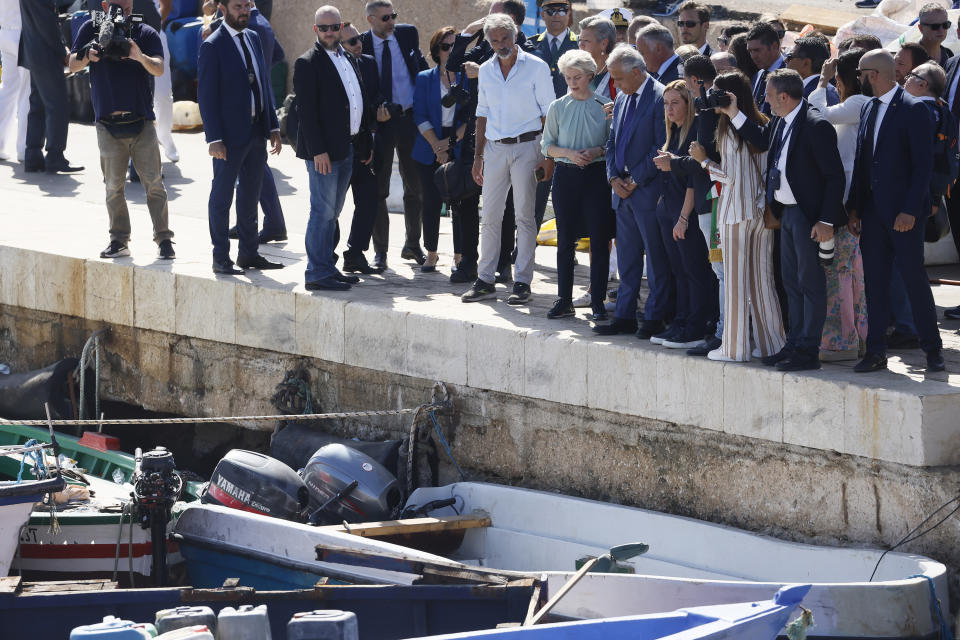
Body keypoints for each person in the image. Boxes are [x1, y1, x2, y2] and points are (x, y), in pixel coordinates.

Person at [725, 69, 845, 371]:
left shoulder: (816, 125)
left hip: (809, 217)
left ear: (783, 96)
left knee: (811, 284)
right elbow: (761, 139)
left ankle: (808, 351)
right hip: (788, 213)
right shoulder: (781, 120)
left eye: (767, 94)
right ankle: (794, 344)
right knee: (791, 283)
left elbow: (834, 178)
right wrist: (733, 112)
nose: (764, 100)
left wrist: (826, 220)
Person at [847, 50, 944, 372]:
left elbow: (923, 167)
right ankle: (875, 352)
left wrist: (909, 211)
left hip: (903, 216)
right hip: (873, 214)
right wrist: (855, 209)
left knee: (914, 281)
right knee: (874, 283)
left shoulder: (914, 109)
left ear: (873, 74)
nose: (857, 78)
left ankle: (933, 351)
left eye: (860, 72)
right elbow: (863, 162)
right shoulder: (870, 108)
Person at [689, 70, 785, 362]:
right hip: (760, 213)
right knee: (762, 281)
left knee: (734, 283)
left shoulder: (729, 129)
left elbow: (729, 176)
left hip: (734, 212)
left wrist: (703, 161)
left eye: (719, 92)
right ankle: (772, 345)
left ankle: (735, 348)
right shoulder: (763, 123)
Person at [68, 0, 175, 260]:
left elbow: (159, 69)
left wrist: (138, 55)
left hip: (141, 121)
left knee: (154, 185)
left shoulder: (144, 32)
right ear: (104, 4)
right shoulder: (90, 29)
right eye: (117, 5)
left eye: (126, 6)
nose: (122, 11)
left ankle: (164, 240)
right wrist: (87, 54)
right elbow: (72, 64)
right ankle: (119, 240)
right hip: (107, 123)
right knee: (113, 186)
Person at [461, 13, 554, 304]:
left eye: (505, 37)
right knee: (489, 216)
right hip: (495, 149)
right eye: (495, 39)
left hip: (529, 146)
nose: (501, 44)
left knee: (525, 217)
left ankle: (522, 282)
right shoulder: (486, 70)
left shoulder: (536, 67)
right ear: (488, 41)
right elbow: (482, 114)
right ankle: (485, 279)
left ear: (515, 36)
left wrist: (546, 155)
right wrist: (478, 157)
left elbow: (548, 113)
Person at [197, 0, 283, 275]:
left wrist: (272, 125)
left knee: (250, 194)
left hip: (257, 131)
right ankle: (221, 257)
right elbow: (207, 96)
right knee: (221, 197)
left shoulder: (254, 38)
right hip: (229, 138)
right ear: (223, 9)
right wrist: (214, 138)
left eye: (247, 5)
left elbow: (263, 84)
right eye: (237, 6)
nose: (244, 11)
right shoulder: (213, 44)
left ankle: (249, 253)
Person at [295, 5, 373, 291]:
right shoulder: (308, 63)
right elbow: (307, 113)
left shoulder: (348, 59)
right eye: (323, 28)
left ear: (341, 28)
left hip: (348, 148)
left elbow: (356, 102)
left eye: (334, 27)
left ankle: (327, 265)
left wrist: (365, 142)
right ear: (316, 30)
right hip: (324, 153)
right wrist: (318, 151)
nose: (329, 32)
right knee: (322, 211)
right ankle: (316, 272)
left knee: (333, 212)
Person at [593, 44, 667, 337]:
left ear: (637, 72)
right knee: (627, 259)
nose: (616, 85)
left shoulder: (660, 97)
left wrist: (634, 179)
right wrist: (613, 178)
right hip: (622, 192)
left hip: (648, 190)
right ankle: (624, 315)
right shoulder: (623, 97)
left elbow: (662, 146)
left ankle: (655, 316)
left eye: (619, 79)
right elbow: (612, 143)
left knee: (656, 258)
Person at [541, 49, 612, 319]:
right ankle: (564, 298)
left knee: (599, 237)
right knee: (565, 240)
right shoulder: (558, 106)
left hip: (595, 176)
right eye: (568, 77)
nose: (572, 81)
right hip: (566, 176)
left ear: (591, 76)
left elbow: (612, 144)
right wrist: (570, 154)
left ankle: (598, 299)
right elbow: (546, 146)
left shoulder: (605, 105)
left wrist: (596, 151)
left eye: (577, 77)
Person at [809, 49, 870, 360]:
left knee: (840, 273)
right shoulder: (856, 104)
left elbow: (816, 114)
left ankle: (841, 340)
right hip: (847, 200)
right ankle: (857, 337)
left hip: (844, 202)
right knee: (850, 272)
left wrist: (821, 82)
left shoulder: (858, 103)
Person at [361, 0, 430, 270]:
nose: (391, 22)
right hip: (382, 124)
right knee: (380, 189)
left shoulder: (407, 33)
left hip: (411, 119)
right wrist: (374, 112)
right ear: (370, 20)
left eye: (393, 16)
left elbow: (420, 68)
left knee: (417, 186)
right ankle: (380, 252)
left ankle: (412, 245)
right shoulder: (363, 44)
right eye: (385, 18)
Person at [652, 79, 719, 348]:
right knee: (678, 271)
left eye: (675, 103)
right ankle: (681, 321)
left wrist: (682, 218)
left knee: (695, 271)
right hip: (667, 211)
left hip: (686, 215)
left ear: (688, 104)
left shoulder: (693, 134)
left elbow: (694, 180)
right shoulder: (673, 133)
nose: (669, 108)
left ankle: (696, 325)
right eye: (666, 103)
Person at [412, 26, 469, 273]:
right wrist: (437, 145)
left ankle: (459, 256)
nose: (450, 51)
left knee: (459, 203)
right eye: (446, 47)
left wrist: (448, 145)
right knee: (431, 202)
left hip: (458, 143)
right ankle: (432, 253)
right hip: (428, 145)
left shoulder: (468, 77)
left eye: (455, 46)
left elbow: (471, 116)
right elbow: (419, 113)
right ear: (437, 51)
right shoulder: (425, 77)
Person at [339, 21, 386, 275]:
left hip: (363, 145)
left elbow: (374, 95)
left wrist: (382, 108)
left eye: (360, 40)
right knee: (332, 206)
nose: (359, 45)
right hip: (337, 148)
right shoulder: (331, 67)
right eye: (353, 42)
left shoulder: (368, 63)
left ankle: (355, 254)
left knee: (368, 200)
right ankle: (326, 255)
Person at [19, 0, 81, 173]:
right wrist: (64, 51)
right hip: (46, 53)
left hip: (34, 50)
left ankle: (33, 155)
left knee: (38, 104)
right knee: (58, 105)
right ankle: (55, 155)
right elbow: (47, 24)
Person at [0, 0, 30, 162]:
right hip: (22, 34)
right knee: (26, 92)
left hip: (5, 31)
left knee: (8, 89)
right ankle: (25, 148)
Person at [532, 0, 579, 99]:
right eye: (550, 11)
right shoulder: (530, 46)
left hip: (570, 109)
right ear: (542, 15)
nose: (556, 15)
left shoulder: (581, 45)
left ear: (569, 13)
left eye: (562, 11)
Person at [746, 22, 784, 114]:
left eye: (757, 50)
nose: (753, 56)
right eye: (750, 51)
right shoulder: (758, 75)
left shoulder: (788, 76)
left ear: (774, 46)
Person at [788, 36, 839, 104]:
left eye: (790, 57)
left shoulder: (825, 93)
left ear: (806, 63)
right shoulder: (827, 90)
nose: (785, 60)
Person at [578, 16, 616, 100]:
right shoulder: (576, 73)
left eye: (586, 41)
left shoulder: (620, 77)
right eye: (580, 40)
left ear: (603, 44)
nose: (580, 45)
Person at [917, 3, 954, 67]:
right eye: (935, 26)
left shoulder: (949, 55)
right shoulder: (909, 55)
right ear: (921, 28)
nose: (941, 30)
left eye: (945, 25)